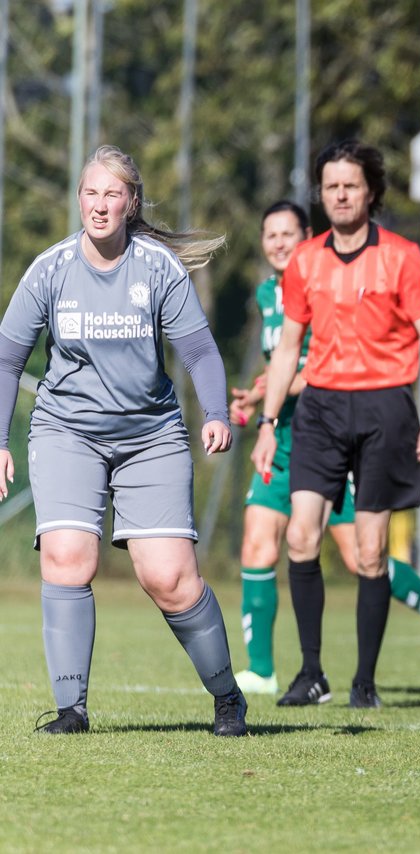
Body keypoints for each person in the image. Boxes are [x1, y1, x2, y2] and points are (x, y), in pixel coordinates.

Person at [0, 145, 246, 736]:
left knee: (168, 578)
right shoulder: (51, 269)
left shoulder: (158, 269)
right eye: (91, 193)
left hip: (150, 435)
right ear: (79, 199)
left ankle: (227, 698)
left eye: (113, 194)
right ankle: (71, 711)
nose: (100, 205)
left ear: (132, 203)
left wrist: (215, 411)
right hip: (68, 431)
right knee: (68, 559)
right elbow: (8, 358)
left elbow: (200, 351)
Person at [232, 200, 420, 696]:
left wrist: (264, 394)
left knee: (360, 556)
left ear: (309, 237)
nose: (279, 243)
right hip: (284, 439)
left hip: (332, 433)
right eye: (270, 235)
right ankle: (262, 669)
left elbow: (321, 368)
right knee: (258, 543)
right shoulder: (267, 293)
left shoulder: (324, 279)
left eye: (289, 233)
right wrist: (258, 403)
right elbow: (284, 360)